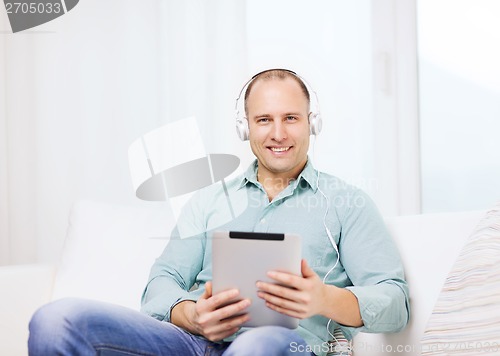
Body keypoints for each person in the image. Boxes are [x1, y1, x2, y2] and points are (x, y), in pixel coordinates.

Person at [28, 69, 409, 356]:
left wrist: (323, 299)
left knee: (256, 345)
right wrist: (192, 314)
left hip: (284, 345)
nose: (278, 133)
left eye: (291, 118)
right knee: (56, 320)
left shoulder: (347, 203)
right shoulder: (208, 201)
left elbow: (395, 301)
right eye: (264, 120)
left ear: (313, 122)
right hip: (193, 343)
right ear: (245, 128)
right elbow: (161, 283)